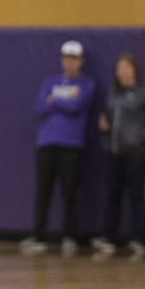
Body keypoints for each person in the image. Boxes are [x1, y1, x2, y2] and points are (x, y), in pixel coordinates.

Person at [21, 40, 97, 256]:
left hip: (71, 145)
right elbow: (39, 105)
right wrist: (60, 101)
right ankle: (38, 234)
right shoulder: (50, 80)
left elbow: (77, 105)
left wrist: (55, 101)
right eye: (66, 59)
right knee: (43, 190)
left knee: (70, 192)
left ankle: (70, 236)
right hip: (46, 143)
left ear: (80, 61)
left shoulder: (87, 84)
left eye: (74, 59)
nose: (69, 63)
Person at [91, 53, 145, 257]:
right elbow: (109, 119)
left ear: (134, 70)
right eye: (119, 68)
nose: (122, 71)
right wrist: (104, 130)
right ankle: (108, 236)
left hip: (137, 153)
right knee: (112, 194)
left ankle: (138, 238)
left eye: (126, 67)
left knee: (136, 193)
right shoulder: (113, 94)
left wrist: (140, 137)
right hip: (113, 151)